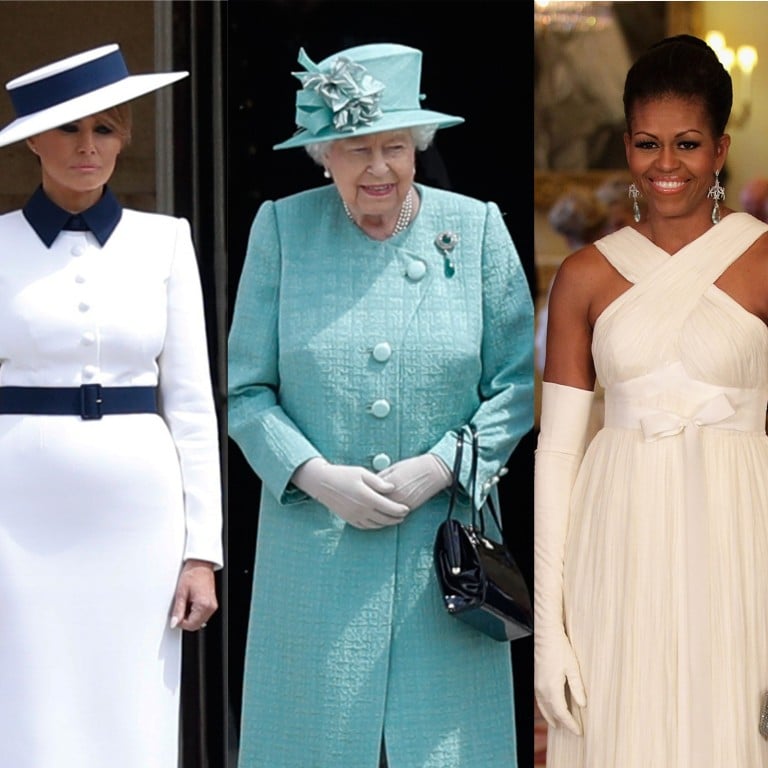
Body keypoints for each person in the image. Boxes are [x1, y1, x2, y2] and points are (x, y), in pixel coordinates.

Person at [228, 42, 534, 768]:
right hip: (316, 561)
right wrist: (312, 474)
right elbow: (246, 392)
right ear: (323, 156)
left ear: (418, 146)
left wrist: (441, 465)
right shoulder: (281, 230)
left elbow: (520, 386)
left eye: (395, 147)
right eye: (355, 149)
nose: (378, 169)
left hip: (444, 561)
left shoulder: (479, 228)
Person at [534, 33, 768, 767]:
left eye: (688, 143)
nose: (666, 165)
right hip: (617, 538)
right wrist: (549, 634)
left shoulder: (764, 261)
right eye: (646, 143)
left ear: (721, 149)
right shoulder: (584, 276)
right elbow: (558, 454)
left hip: (741, 540)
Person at [0, 44, 223, 768]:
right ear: (34, 138)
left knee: (134, 703)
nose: (86, 147)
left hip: (140, 514)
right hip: (19, 507)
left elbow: (191, 404)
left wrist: (202, 552)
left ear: (125, 135)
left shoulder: (166, 241)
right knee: (28, 698)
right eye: (68, 130)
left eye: (104, 128)